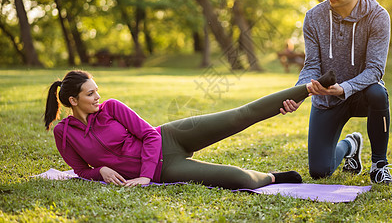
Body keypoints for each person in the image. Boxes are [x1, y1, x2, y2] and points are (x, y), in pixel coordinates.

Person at [44, 69, 336, 189]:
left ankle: (311, 87)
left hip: (169, 136)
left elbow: (148, 134)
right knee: (237, 180)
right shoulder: (64, 133)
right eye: (90, 94)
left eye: (97, 90)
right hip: (167, 168)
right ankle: (273, 177)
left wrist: (144, 176)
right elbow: (81, 170)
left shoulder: (112, 108)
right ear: (73, 100)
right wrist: (101, 172)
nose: (98, 97)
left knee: (239, 115)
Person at [295, 0, 392, 185]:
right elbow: (311, 64)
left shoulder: (377, 16)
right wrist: (300, 92)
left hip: (360, 95)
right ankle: (351, 145)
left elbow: (375, 69)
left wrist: (345, 88)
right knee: (320, 171)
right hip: (326, 101)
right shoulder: (313, 18)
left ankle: (379, 165)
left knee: (378, 93)